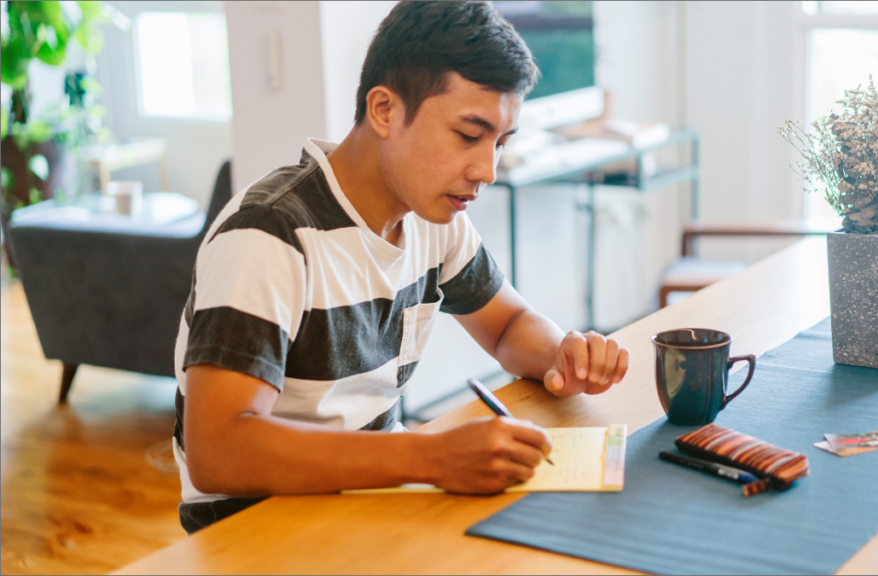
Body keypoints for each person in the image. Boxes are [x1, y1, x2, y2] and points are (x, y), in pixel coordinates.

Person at [173, 0, 630, 534]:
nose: (486, 170)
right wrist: (430, 456)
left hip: (372, 501)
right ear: (385, 110)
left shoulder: (433, 218)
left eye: (500, 143)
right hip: (258, 527)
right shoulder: (270, 233)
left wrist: (562, 354)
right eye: (467, 134)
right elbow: (219, 450)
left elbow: (507, 325)